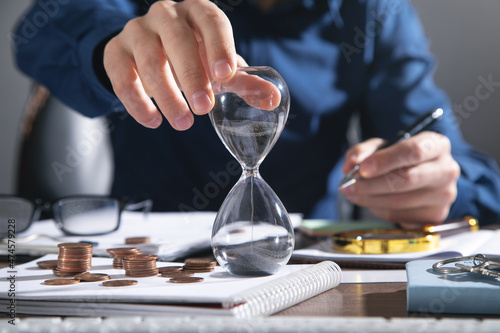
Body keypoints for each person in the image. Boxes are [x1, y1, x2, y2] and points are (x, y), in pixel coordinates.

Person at [12, 0, 500, 226]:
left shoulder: (370, 13)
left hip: (311, 272)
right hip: (150, 266)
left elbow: (453, 158)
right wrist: (113, 48)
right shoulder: (157, 6)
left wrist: (438, 183)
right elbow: (37, 32)